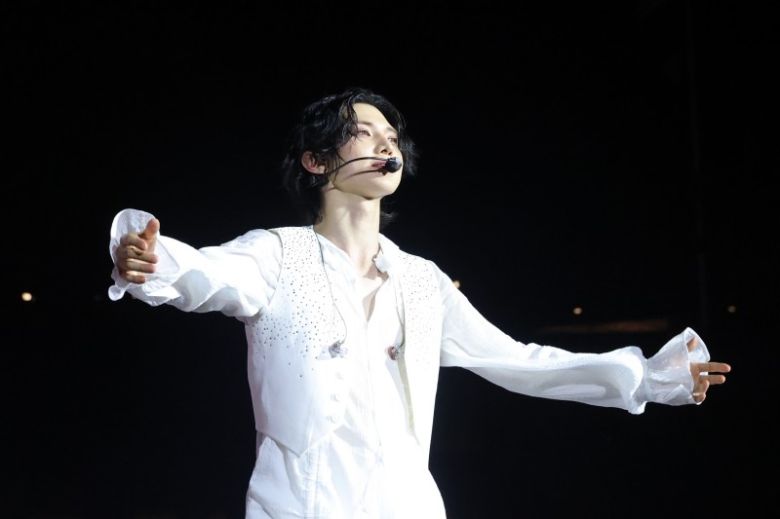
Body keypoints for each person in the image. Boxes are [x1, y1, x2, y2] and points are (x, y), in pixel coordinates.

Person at [108, 87, 731, 519]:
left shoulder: (421, 281)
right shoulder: (277, 254)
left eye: (392, 137)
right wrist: (152, 260)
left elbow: (518, 361)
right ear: (316, 160)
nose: (386, 146)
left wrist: (650, 377)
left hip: (408, 503)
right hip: (301, 503)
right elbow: (208, 272)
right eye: (363, 134)